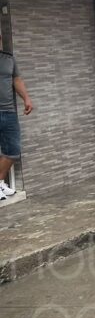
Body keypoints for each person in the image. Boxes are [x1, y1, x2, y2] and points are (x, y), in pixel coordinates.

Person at [0, 33, 32, 200]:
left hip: (9, 112)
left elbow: (17, 80)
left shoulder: (8, 59)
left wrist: (26, 98)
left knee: (12, 151)